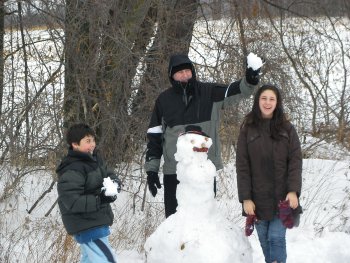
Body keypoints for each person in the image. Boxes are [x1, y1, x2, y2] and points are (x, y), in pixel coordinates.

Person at [145, 53, 263, 218]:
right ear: (172, 75)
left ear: (192, 71)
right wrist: (151, 170)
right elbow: (155, 137)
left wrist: (250, 80)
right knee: (175, 222)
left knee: (204, 222)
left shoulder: (209, 92)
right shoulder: (163, 101)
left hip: (204, 170)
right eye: (179, 72)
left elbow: (236, 91)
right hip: (175, 172)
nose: (185, 75)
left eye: (187, 70)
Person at [236, 84, 302, 263]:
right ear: (258, 101)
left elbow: (295, 161)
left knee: (276, 237)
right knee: (265, 240)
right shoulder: (247, 129)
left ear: (277, 102)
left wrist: (293, 190)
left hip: (282, 198)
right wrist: (246, 198)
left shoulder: (287, 129)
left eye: (272, 99)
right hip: (257, 199)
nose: (267, 102)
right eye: (264, 98)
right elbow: (242, 166)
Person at [56, 123, 121, 263]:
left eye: (93, 140)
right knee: (106, 260)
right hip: (87, 226)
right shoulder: (72, 168)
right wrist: (101, 199)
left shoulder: (95, 160)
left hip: (96, 222)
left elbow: (109, 174)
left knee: (91, 260)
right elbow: (72, 201)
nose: (92, 144)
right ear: (75, 144)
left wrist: (114, 185)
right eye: (87, 141)